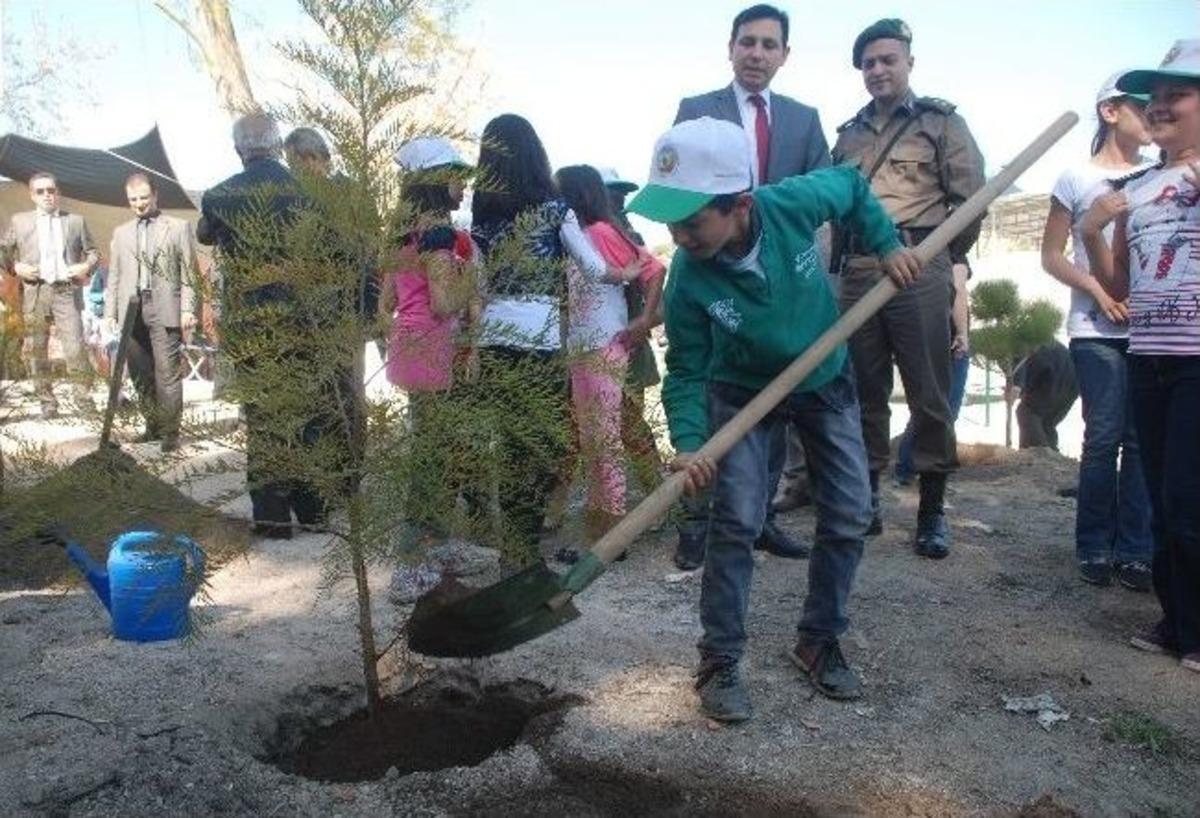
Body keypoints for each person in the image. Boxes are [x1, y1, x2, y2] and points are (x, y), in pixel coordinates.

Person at [628, 116, 922, 720]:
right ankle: (718, 659)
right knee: (736, 520)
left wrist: (887, 244)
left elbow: (851, 185)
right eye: (671, 224)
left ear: (738, 204)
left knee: (850, 513)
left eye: (691, 222)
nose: (679, 236)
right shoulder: (688, 277)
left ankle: (818, 640)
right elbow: (686, 369)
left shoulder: (790, 204)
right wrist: (690, 443)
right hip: (740, 390)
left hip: (823, 376)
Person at [673, 2, 823, 567]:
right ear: (731, 48)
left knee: (775, 394)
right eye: (748, 42)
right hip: (715, 276)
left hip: (775, 283)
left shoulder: (804, 120)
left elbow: (817, 201)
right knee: (712, 390)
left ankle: (761, 519)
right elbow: (680, 189)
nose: (757, 53)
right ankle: (697, 521)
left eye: (768, 44)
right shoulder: (696, 110)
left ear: (784, 55)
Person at [832, 19, 986, 560]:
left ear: (909, 64)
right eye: (869, 63)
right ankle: (868, 502)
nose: (878, 70)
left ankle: (931, 511)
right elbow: (836, 206)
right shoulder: (848, 135)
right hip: (860, 270)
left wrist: (936, 256)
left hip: (919, 265)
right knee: (863, 393)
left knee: (929, 392)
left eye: (888, 60)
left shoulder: (942, 123)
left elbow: (971, 201)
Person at [1081, 40, 1200, 673]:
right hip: (1147, 356)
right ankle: (1174, 620)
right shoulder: (1138, 187)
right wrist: (1091, 230)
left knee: (1188, 499)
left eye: (1177, 95)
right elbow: (1120, 285)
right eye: (1153, 97)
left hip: (1196, 362)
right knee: (1159, 495)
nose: (1159, 106)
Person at [469, 114, 622, 565]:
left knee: (511, 444)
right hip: (539, 341)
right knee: (542, 446)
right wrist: (629, 271)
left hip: (496, 338)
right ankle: (523, 552)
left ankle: (515, 553)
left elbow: (478, 285)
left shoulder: (481, 218)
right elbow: (593, 268)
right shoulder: (557, 211)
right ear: (536, 156)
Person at [1041, 74, 1155, 590]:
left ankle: (1135, 549)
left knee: (1141, 439)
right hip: (1093, 329)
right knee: (1103, 435)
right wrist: (1097, 290)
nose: (1154, 113)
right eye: (1143, 105)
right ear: (1111, 111)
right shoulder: (1075, 177)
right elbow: (1051, 256)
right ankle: (1092, 544)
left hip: (1151, 329)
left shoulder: (1162, 174)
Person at [197, 112, 313, 539]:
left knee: (263, 418)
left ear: (238, 149)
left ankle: (273, 516)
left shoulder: (220, 195)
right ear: (277, 145)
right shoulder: (306, 192)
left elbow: (205, 235)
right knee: (305, 414)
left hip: (250, 322)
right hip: (302, 319)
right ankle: (313, 508)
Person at [555, 164, 660, 547]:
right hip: (583, 346)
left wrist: (644, 320)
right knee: (591, 437)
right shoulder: (576, 236)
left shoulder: (601, 232)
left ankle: (612, 528)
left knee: (605, 436)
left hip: (605, 344)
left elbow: (654, 268)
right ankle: (601, 520)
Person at [105, 173, 199, 452]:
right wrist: (110, 313)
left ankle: (170, 432)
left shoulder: (178, 227)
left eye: (144, 197)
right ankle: (153, 426)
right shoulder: (121, 233)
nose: (139, 204)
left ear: (155, 195)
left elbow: (190, 272)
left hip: (165, 307)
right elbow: (115, 275)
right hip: (131, 310)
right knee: (140, 373)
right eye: (133, 199)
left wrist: (188, 309)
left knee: (167, 373)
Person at [3, 171, 99, 418]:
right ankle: (47, 403)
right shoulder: (19, 221)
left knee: (75, 347)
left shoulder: (75, 221)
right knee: (36, 350)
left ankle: (84, 401)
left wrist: (85, 266)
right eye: (40, 191)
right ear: (32, 195)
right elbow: (3, 252)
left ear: (58, 193)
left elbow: (93, 253)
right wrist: (16, 267)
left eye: (51, 190)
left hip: (66, 291)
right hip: (35, 292)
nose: (47, 195)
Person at [598, 167, 667, 498]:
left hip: (626, 344)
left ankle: (657, 493)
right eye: (613, 195)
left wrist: (641, 324)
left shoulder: (630, 240)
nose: (620, 201)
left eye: (621, 195)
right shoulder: (584, 237)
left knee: (629, 420)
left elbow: (656, 297)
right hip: (593, 344)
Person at [894, 261, 971, 485]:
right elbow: (958, 290)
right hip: (949, 343)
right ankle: (915, 470)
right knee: (943, 409)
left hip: (923, 337)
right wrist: (963, 333)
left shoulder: (916, 257)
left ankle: (908, 468)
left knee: (927, 406)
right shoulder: (956, 259)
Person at [1010, 340, 1079, 451]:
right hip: (1072, 382)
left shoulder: (1017, 341)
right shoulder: (1044, 339)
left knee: (1027, 412)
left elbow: (1020, 361)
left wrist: (1016, 385)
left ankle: (1037, 453)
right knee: (1047, 423)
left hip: (1051, 378)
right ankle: (1051, 454)